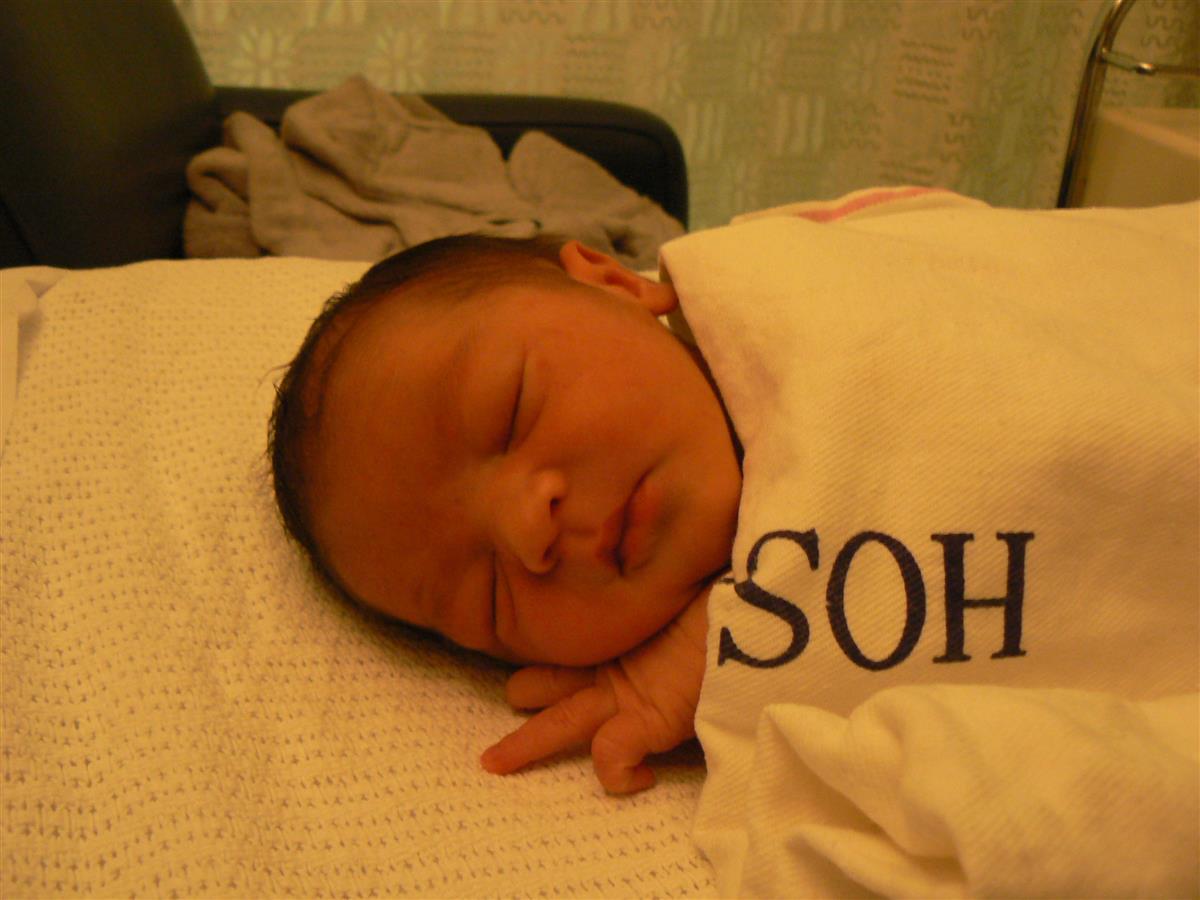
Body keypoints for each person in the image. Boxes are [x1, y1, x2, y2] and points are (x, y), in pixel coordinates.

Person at [269, 234, 741, 794]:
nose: (527, 529)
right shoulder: (702, 681)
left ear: (614, 283)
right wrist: (726, 654)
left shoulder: (785, 293)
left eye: (512, 409)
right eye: (488, 598)